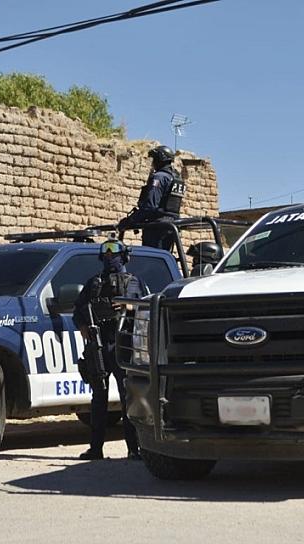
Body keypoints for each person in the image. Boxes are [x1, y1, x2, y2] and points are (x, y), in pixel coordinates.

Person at [73, 237, 147, 460]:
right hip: (99, 344)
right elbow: (78, 309)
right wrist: (83, 326)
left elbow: (147, 308)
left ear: (123, 255)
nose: (109, 255)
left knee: (128, 398)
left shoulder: (134, 282)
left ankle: (134, 449)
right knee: (98, 398)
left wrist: (129, 306)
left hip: (123, 343)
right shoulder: (94, 283)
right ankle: (96, 449)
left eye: (113, 250)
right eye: (105, 250)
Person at [118, 145, 186, 251]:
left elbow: (150, 206)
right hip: (171, 225)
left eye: (155, 158)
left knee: (152, 260)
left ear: (160, 159)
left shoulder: (159, 177)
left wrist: (130, 220)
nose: (153, 162)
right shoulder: (176, 178)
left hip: (157, 227)